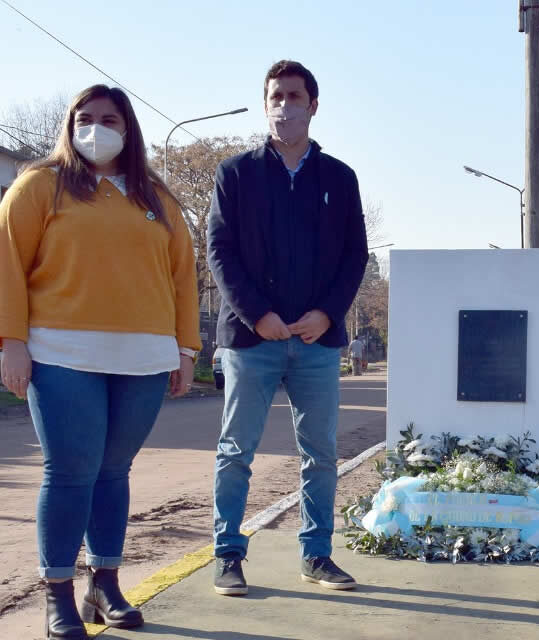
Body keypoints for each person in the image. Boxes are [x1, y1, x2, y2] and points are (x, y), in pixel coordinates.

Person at [0, 85, 200, 639]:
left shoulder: (157, 198)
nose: (96, 128)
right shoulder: (41, 186)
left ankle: (104, 585)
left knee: (113, 472)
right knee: (70, 473)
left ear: (128, 128)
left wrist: (186, 348)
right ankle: (57, 593)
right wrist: (11, 339)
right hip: (61, 353)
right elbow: (7, 260)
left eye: (108, 119)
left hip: (144, 358)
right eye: (85, 119)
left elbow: (182, 278)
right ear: (69, 125)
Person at [208, 60, 368, 596]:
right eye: (275, 96)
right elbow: (220, 252)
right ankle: (227, 555)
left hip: (317, 342)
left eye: (294, 96)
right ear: (265, 104)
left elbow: (354, 256)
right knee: (237, 451)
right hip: (253, 340)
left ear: (313, 106)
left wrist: (327, 314)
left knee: (320, 454)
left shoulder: (339, 179)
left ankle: (317, 555)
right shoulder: (235, 174)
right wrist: (260, 315)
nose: (284, 105)